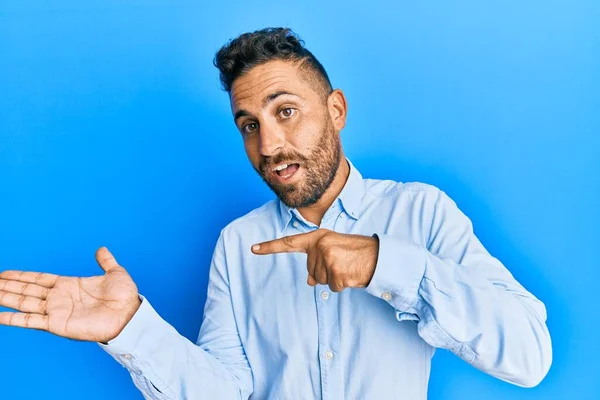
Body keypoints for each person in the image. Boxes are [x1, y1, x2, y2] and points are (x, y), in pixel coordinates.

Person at [0, 27, 552, 399]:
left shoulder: (420, 212)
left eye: (285, 111)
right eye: (250, 125)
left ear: (336, 111)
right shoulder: (239, 244)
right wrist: (130, 329)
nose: (269, 146)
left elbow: (529, 355)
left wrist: (387, 265)